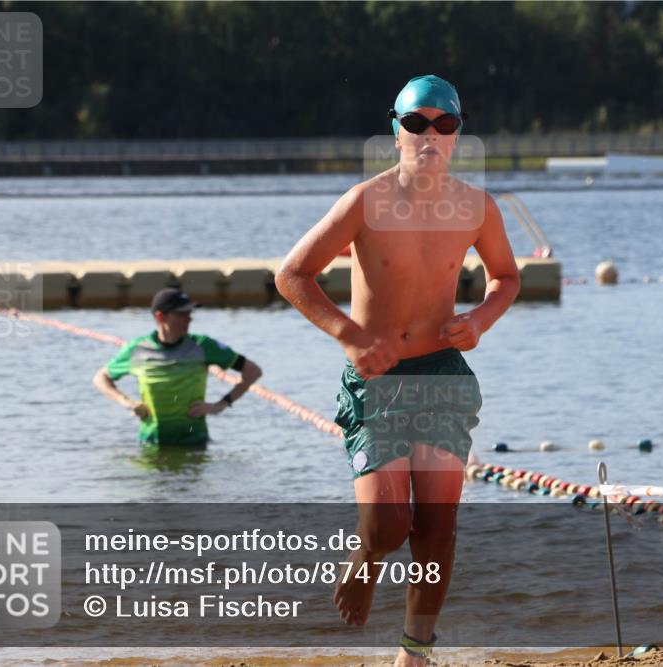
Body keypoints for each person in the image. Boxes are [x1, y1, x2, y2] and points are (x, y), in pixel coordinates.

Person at [275, 75, 519, 667]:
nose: (430, 134)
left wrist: (481, 319)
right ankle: (366, 559)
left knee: (437, 528)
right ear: (396, 130)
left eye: (445, 124)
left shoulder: (476, 207)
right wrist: (349, 336)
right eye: (417, 123)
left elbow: (507, 277)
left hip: (442, 373)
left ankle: (415, 650)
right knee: (388, 523)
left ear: (459, 134)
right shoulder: (365, 201)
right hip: (378, 380)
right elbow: (291, 275)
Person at [93, 288, 262, 447]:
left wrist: (220, 405)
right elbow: (101, 378)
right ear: (161, 317)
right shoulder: (137, 349)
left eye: (190, 313)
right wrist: (126, 402)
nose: (189, 319)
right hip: (152, 443)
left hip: (194, 442)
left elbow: (253, 371)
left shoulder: (203, 345)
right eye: (182, 314)